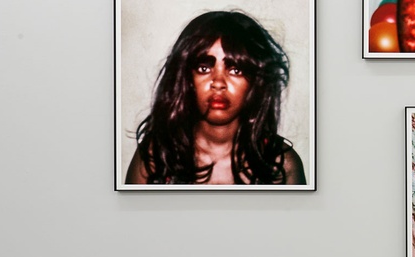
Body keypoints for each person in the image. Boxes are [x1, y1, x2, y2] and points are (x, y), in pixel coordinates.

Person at [125, 10, 306, 185]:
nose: (218, 83)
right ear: (186, 79)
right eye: (204, 68)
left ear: (256, 82)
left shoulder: (281, 166)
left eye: (235, 70)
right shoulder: (155, 158)